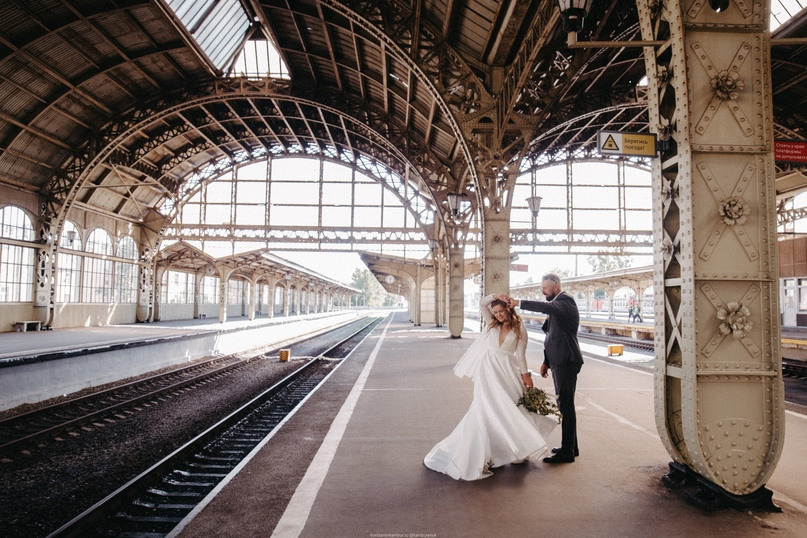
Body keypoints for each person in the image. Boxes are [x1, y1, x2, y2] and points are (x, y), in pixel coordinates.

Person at [423, 295, 556, 480]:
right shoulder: (491, 323)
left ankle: (519, 447)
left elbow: (521, 355)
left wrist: (526, 377)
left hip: (508, 371)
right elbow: (482, 303)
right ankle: (486, 454)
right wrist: (496, 297)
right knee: (485, 409)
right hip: (487, 371)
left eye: (501, 311)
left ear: (509, 309)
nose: (499, 315)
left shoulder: (519, 328)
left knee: (512, 409)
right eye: (496, 312)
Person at [508, 273, 583, 463]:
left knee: (566, 406)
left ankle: (567, 451)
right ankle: (570, 447)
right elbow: (551, 336)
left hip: (567, 360)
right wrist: (546, 362)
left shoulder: (565, 302)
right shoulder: (557, 306)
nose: (543, 292)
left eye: (545, 288)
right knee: (564, 405)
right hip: (559, 360)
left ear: (556, 286)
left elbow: (545, 308)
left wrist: (518, 302)